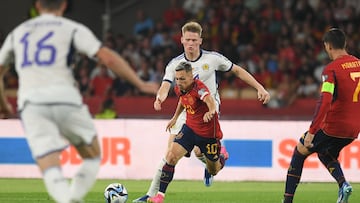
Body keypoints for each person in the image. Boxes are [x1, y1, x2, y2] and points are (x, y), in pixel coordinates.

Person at [0, 0, 158, 203]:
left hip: (32, 103)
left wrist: (3, 105)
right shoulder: (72, 29)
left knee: (48, 160)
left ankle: (66, 199)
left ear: (37, 5)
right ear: (64, 5)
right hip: (66, 99)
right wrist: (140, 83)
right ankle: (73, 198)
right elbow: (107, 58)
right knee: (92, 155)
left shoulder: (18, 33)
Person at [133, 21, 270, 202]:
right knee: (170, 154)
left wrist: (259, 87)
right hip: (186, 109)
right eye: (187, 39)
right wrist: (160, 97)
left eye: (194, 40)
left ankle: (214, 160)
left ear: (200, 41)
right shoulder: (175, 64)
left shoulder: (212, 59)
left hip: (208, 110)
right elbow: (165, 84)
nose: (191, 43)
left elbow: (236, 70)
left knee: (199, 152)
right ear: (181, 40)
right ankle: (151, 195)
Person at [282, 28, 359, 203]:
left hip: (333, 126)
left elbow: (325, 101)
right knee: (325, 153)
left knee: (299, 151)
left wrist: (312, 131)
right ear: (344, 44)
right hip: (353, 129)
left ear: (328, 46)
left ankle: (287, 201)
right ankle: (343, 185)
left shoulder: (331, 70)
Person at [148, 61, 229, 203]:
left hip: (208, 134)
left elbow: (210, 100)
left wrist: (211, 111)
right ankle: (160, 196)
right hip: (190, 129)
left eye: (182, 79)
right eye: (177, 79)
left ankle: (222, 155)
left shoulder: (199, 88)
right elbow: (182, 100)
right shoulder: (180, 88)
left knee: (213, 170)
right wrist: (174, 118)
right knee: (171, 156)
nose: (179, 82)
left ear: (191, 76)